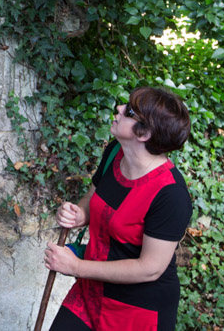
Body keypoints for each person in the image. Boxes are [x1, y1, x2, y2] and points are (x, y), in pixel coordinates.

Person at [43, 87, 192, 331]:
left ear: (144, 133)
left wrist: (76, 267)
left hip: (136, 311)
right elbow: (93, 197)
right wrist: (80, 213)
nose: (119, 109)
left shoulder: (171, 195)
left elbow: (149, 269)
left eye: (129, 111)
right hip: (91, 294)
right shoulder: (115, 152)